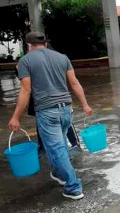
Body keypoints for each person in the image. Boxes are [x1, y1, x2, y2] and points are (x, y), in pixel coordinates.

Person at [8, 31, 93, 200]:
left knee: (57, 149)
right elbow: (74, 83)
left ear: (29, 46)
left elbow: (26, 90)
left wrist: (15, 116)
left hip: (48, 112)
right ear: (45, 44)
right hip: (66, 110)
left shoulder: (25, 60)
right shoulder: (63, 57)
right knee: (58, 145)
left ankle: (73, 187)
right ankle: (59, 173)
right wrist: (85, 104)